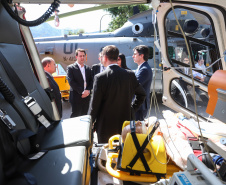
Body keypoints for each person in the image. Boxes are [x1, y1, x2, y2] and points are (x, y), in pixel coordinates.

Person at [88, 45, 146, 143]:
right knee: (125, 152)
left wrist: (90, 123)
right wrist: (131, 109)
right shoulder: (130, 74)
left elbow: (94, 105)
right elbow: (142, 94)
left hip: (105, 127)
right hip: (126, 125)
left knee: (108, 155)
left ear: (105, 57)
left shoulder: (100, 77)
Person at [67, 48, 93, 118]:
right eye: (80, 56)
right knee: (75, 116)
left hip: (87, 96)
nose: (82, 58)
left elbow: (91, 81)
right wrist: (82, 92)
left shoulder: (88, 68)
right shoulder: (71, 68)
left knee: (84, 115)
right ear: (76, 57)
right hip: (76, 96)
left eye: (83, 56)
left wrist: (87, 91)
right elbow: (71, 82)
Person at [132, 45, 152, 121]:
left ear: (141, 55)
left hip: (140, 106)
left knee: (137, 129)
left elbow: (134, 85)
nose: (132, 56)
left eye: (135, 54)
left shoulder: (144, 69)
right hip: (139, 105)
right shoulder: (141, 67)